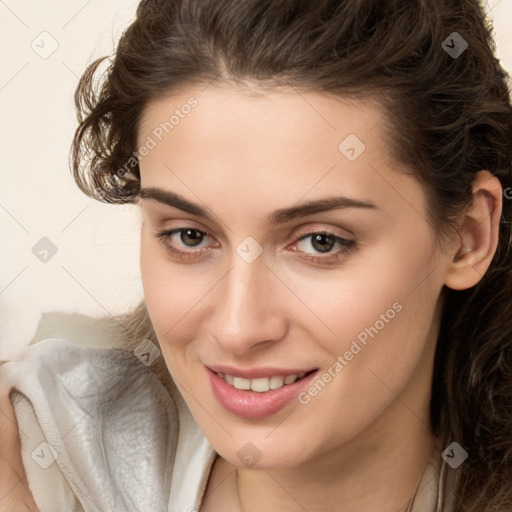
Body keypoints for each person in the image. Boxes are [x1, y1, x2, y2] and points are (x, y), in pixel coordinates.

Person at [1, 0, 512, 510]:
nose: (238, 329)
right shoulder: (34, 459)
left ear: (468, 236)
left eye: (321, 242)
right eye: (190, 236)